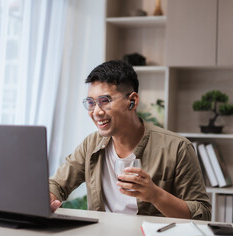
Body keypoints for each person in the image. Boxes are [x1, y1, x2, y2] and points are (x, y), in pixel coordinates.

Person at [49, 60, 211, 220]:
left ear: (132, 101)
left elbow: (202, 213)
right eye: (91, 103)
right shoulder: (90, 145)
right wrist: (48, 198)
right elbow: (57, 184)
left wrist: (155, 195)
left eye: (105, 101)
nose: (96, 112)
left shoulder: (178, 148)